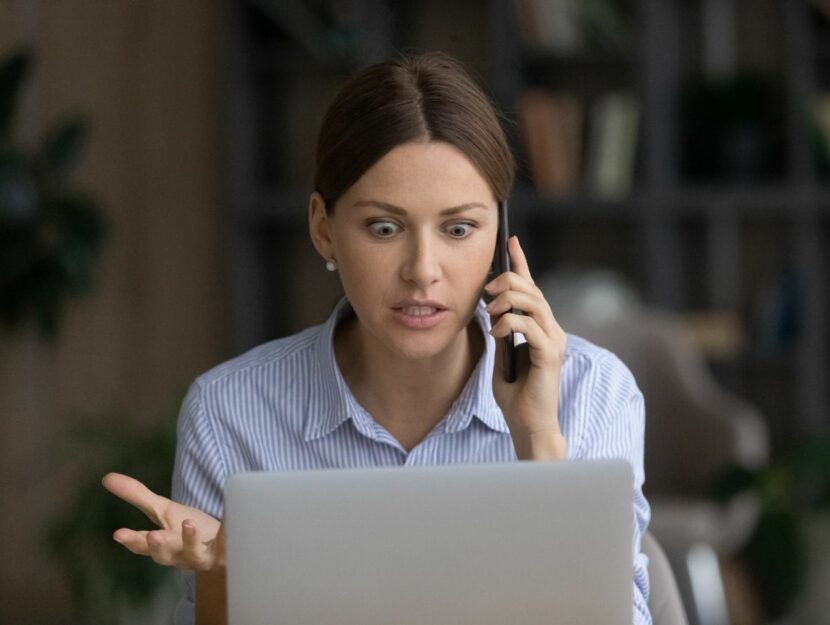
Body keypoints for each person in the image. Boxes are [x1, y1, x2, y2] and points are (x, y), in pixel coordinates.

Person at [102, 50, 652, 625]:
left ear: (499, 236)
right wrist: (225, 579)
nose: (423, 270)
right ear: (324, 230)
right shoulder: (230, 413)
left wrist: (539, 440)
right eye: (384, 228)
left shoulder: (591, 393)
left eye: (459, 229)